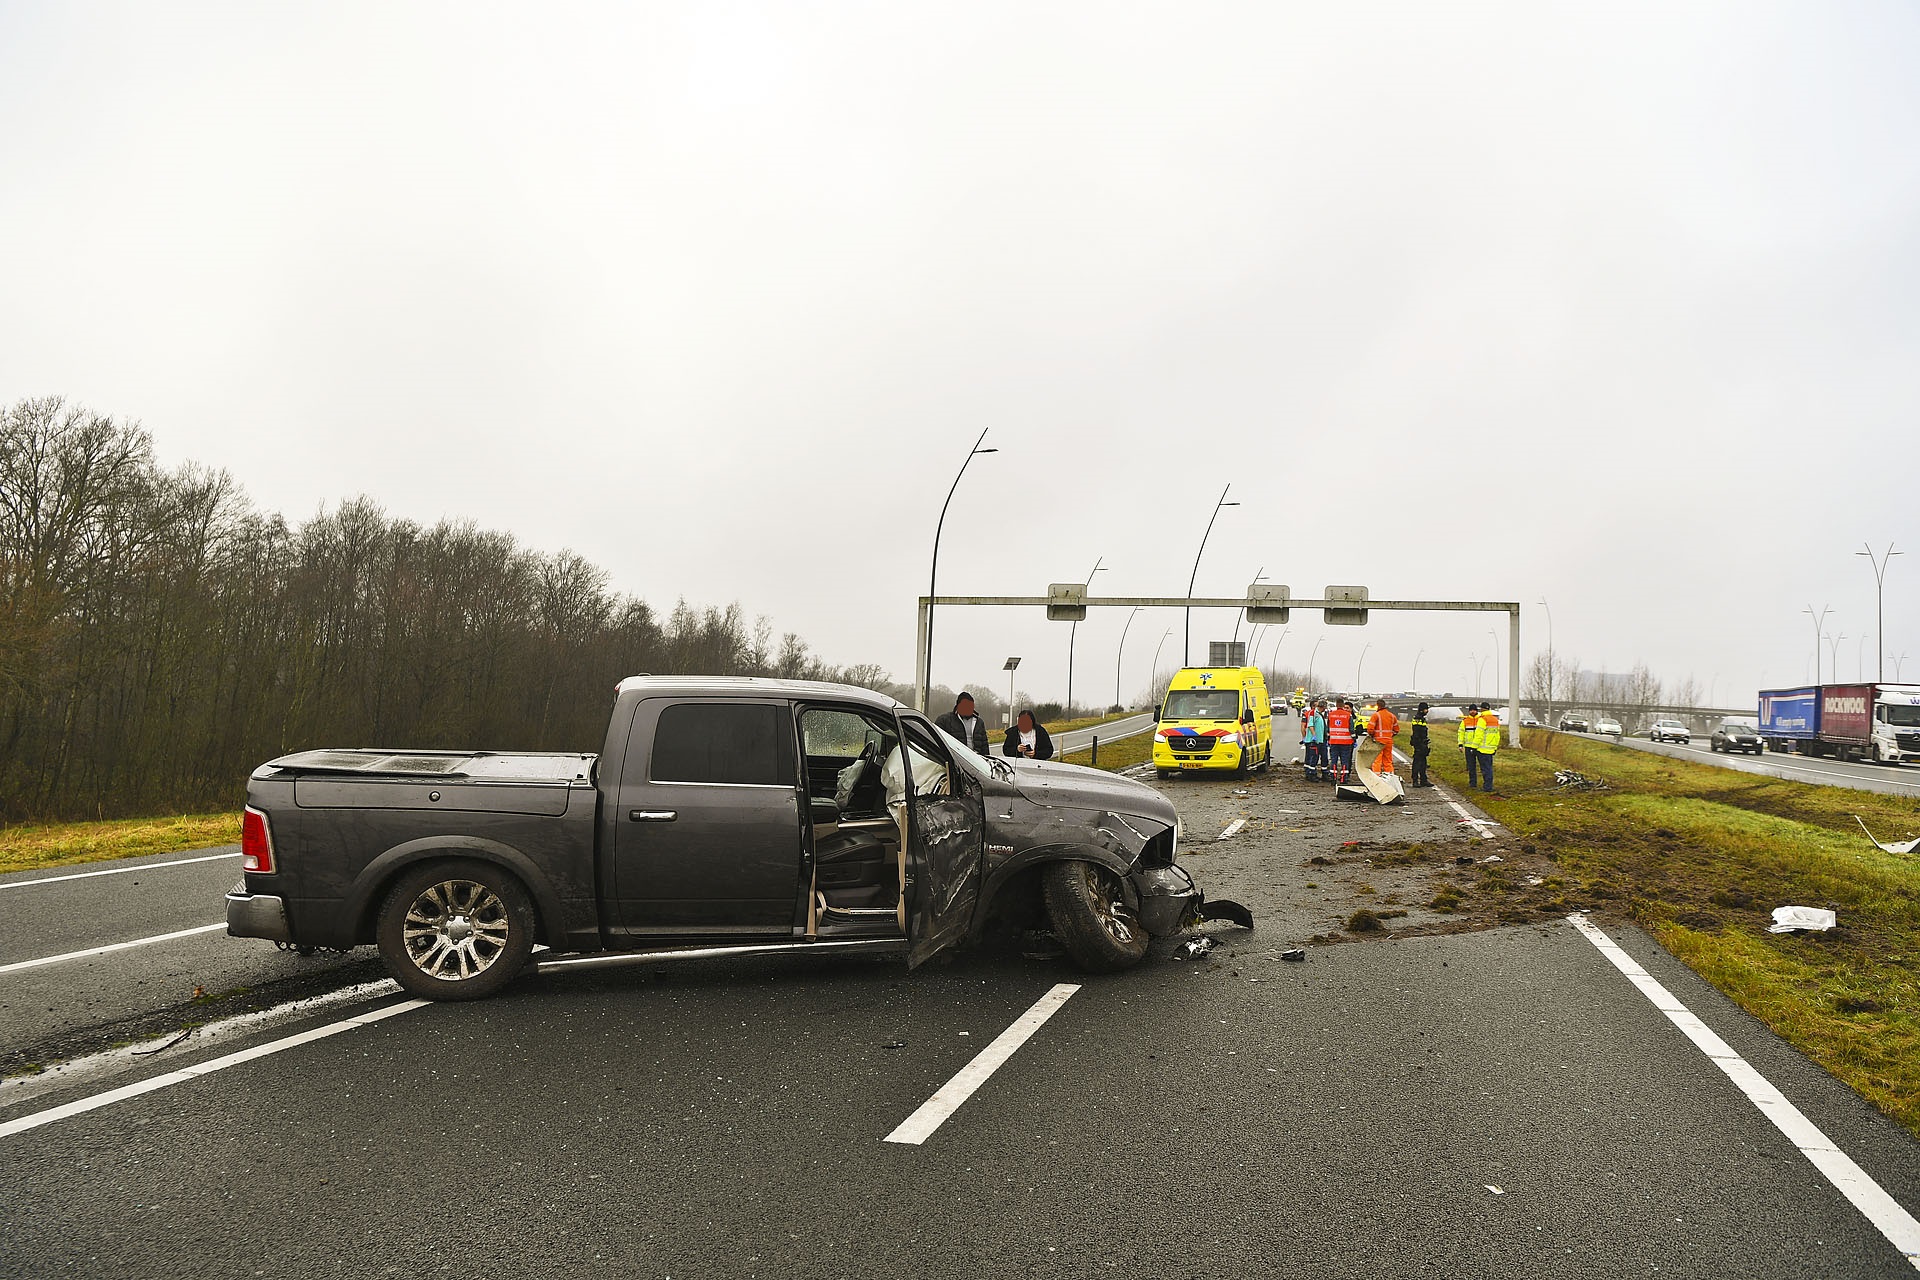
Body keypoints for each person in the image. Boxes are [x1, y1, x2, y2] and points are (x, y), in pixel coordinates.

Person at [1325, 698, 1357, 784]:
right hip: (1346, 742)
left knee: (1334, 760)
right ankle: (1343, 778)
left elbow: (1328, 730)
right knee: (1345, 761)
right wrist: (1354, 739)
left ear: (1336, 705)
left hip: (1334, 742)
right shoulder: (1348, 715)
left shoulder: (1331, 715)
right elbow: (1351, 729)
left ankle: (1333, 777)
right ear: (1343, 705)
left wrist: (1328, 739)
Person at [1369, 699, 1400, 774]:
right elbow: (1396, 730)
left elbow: (1370, 729)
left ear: (1377, 706)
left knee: (1377, 760)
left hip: (1378, 741)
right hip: (1388, 741)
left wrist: (1372, 735)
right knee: (1388, 760)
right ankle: (1390, 776)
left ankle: (1377, 776)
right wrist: (1390, 736)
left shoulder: (1376, 715)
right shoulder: (1392, 716)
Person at [1475, 705, 1501, 792]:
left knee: (1485, 769)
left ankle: (1487, 787)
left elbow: (1479, 734)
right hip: (1491, 747)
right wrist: (1495, 747)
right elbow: (1497, 735)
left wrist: (1474, 747)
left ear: (1482, 709)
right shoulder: (1495, 720)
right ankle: (1488, 785)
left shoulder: (1482, 719)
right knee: (1489, 767)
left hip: (1482, 748)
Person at [1301, 699, 1328, 780]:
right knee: (1314, 758)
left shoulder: (1320, 714)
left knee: (1324, 757)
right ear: (1323, 707)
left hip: (1322, 740)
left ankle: (1324, 774)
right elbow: (1310, 725)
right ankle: (1311, 774)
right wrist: (1314, 736)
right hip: (1315, 741)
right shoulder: (1314, 713)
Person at [1458, 704, 1483, 790]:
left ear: (1477, 711)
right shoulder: (1465, 721)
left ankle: (1485, 783)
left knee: (1482, 765)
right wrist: (1460, 744)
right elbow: (1461, 733)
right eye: (1471, 710)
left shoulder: (1481, 719)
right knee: (1471, 766)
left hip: (1479, 746)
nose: (1473, 711)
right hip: (1468, 746)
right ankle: (1473, 783)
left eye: (1474, 710)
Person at [1409, 702, 1431, 787]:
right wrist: (1419, 744)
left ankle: (1423, 780)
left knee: (1423, 762)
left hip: (1423, 743)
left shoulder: (1422, 718)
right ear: (1422, 709)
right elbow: (1417, 732)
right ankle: (1415, 781)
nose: (1427, 710)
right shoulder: (1418, 719)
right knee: (1417, 762)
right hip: (1419, 744)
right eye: (1426, 709)